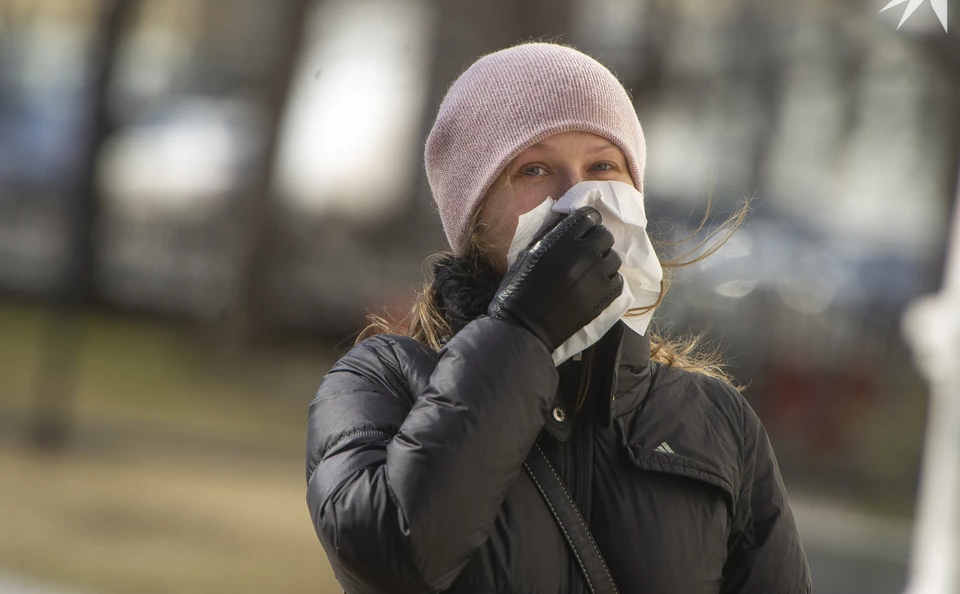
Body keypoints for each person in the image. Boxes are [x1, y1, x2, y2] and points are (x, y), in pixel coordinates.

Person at [305, 41, 812, 594]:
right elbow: (393, 555)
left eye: (602, 165)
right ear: (474, 216)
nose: (579, 197)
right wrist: (524, 332)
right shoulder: (381, 382)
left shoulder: (718, 422)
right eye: (535, 169)